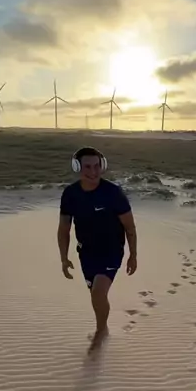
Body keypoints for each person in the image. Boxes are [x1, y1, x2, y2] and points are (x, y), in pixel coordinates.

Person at [58, 147, 137, 349]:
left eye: (97, 166)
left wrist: (133, 255)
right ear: (77, 167)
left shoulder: (113, 193)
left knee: (98, 293)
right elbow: (64, 229)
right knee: (95, 295)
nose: (93, 172)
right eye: (87, 167)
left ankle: (101, 331)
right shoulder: (70, 194)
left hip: (112, 251)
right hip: (86, 253)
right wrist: (64, 258)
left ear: (103, 166)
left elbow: (130, 227)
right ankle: (102, 326)